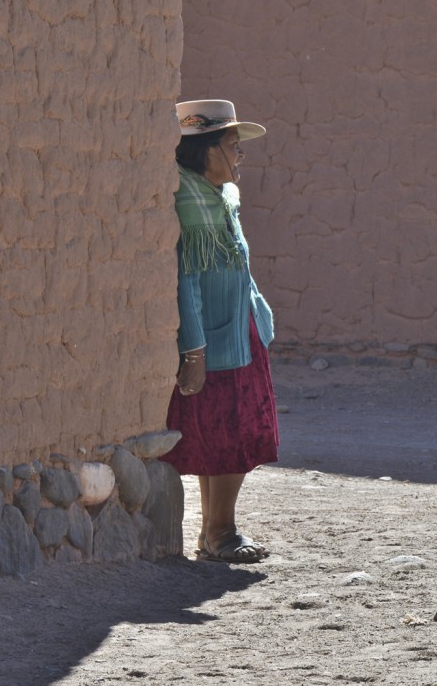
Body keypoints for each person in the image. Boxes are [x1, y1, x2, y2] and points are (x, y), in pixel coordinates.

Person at [161, 99, 279, 564]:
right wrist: (194, 350)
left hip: (242, 329)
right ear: (208, 152)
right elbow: (185, 280)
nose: (239, 157)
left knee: (234, 431)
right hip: (211, 338)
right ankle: (221, 533)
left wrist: (260, 317)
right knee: (226, 432)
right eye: (233, 147)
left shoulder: (225, 197)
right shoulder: (184, 202)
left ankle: (215, 532)